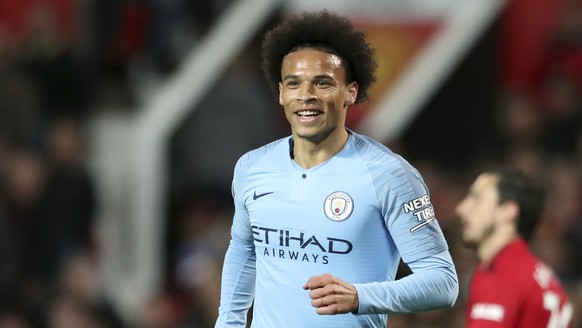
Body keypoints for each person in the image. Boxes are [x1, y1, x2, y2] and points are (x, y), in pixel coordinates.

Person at [215, 10, 459, 327]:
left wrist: (360, 297)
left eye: (323, 83)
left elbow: (443, 282)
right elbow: (244, 250)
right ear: (280, 93)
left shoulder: (388, 175)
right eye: (294, 83)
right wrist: (228, 321)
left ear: (350, 92)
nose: (306, 96)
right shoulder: (252, 167)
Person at [456, 167, 573, 327]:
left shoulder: (502, 274)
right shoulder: (538, 274)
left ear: (507, 211)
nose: (462, 209)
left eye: (477, 199)